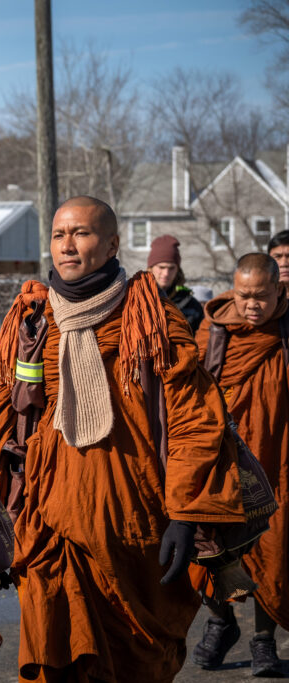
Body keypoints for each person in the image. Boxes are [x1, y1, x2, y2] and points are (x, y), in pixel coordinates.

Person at [0, 196, 245, 682]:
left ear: (113, 243)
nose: (67, 245)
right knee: (55, 646)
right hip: (50, 519)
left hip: (135, 523)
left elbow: (193, 420)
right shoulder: (32, 319)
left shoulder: (152, 319)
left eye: (81, 233)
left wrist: (184, 514)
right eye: (59, 235)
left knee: (132, 663)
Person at [190, 253, 288, 677]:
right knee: (208, 544)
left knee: (275, 550)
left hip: (278, 458)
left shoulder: (285, 328)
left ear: (278, 291)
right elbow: (188, 388)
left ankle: (264, 642)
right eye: (244, 295)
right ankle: (222, 622)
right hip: (222, 459)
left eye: (262, 297)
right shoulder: (215, 330)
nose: (252, 305)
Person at [148, 234, 204, 332]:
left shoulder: (192, 306)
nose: (166, 273)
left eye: (171, 268)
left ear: (178, 270)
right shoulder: (135, 300)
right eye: (161, 267)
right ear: (150, 269)